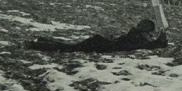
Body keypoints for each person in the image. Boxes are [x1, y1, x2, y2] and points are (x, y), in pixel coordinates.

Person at [26, 19, 167, 52]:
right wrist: (161, 40)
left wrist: (160, 39)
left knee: (70, 47)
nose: (150, 35)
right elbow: (149, 45)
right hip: (101, 45)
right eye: (150, 33)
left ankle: (41, 40)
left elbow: (150, 44)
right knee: (69, 49)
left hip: (101, 42)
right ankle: (34, 44)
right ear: (145, 31)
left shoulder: (134, 34)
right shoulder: (137, 38)